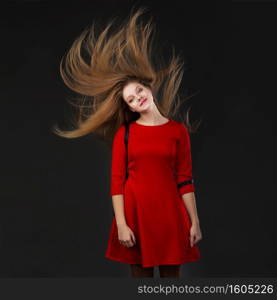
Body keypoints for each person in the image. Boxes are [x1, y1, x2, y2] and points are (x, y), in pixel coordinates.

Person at [52, 6, 202, 278]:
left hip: (170, 216)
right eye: (131, 100)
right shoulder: (126, 133)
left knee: (172, 282)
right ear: (129, 107)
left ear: (148, 88)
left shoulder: (178, 132)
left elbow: (185, 179)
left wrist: (195, 221)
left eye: (138, 92)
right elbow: (117, 182)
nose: (137, 99)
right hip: (136, 216)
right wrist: (121, 224)